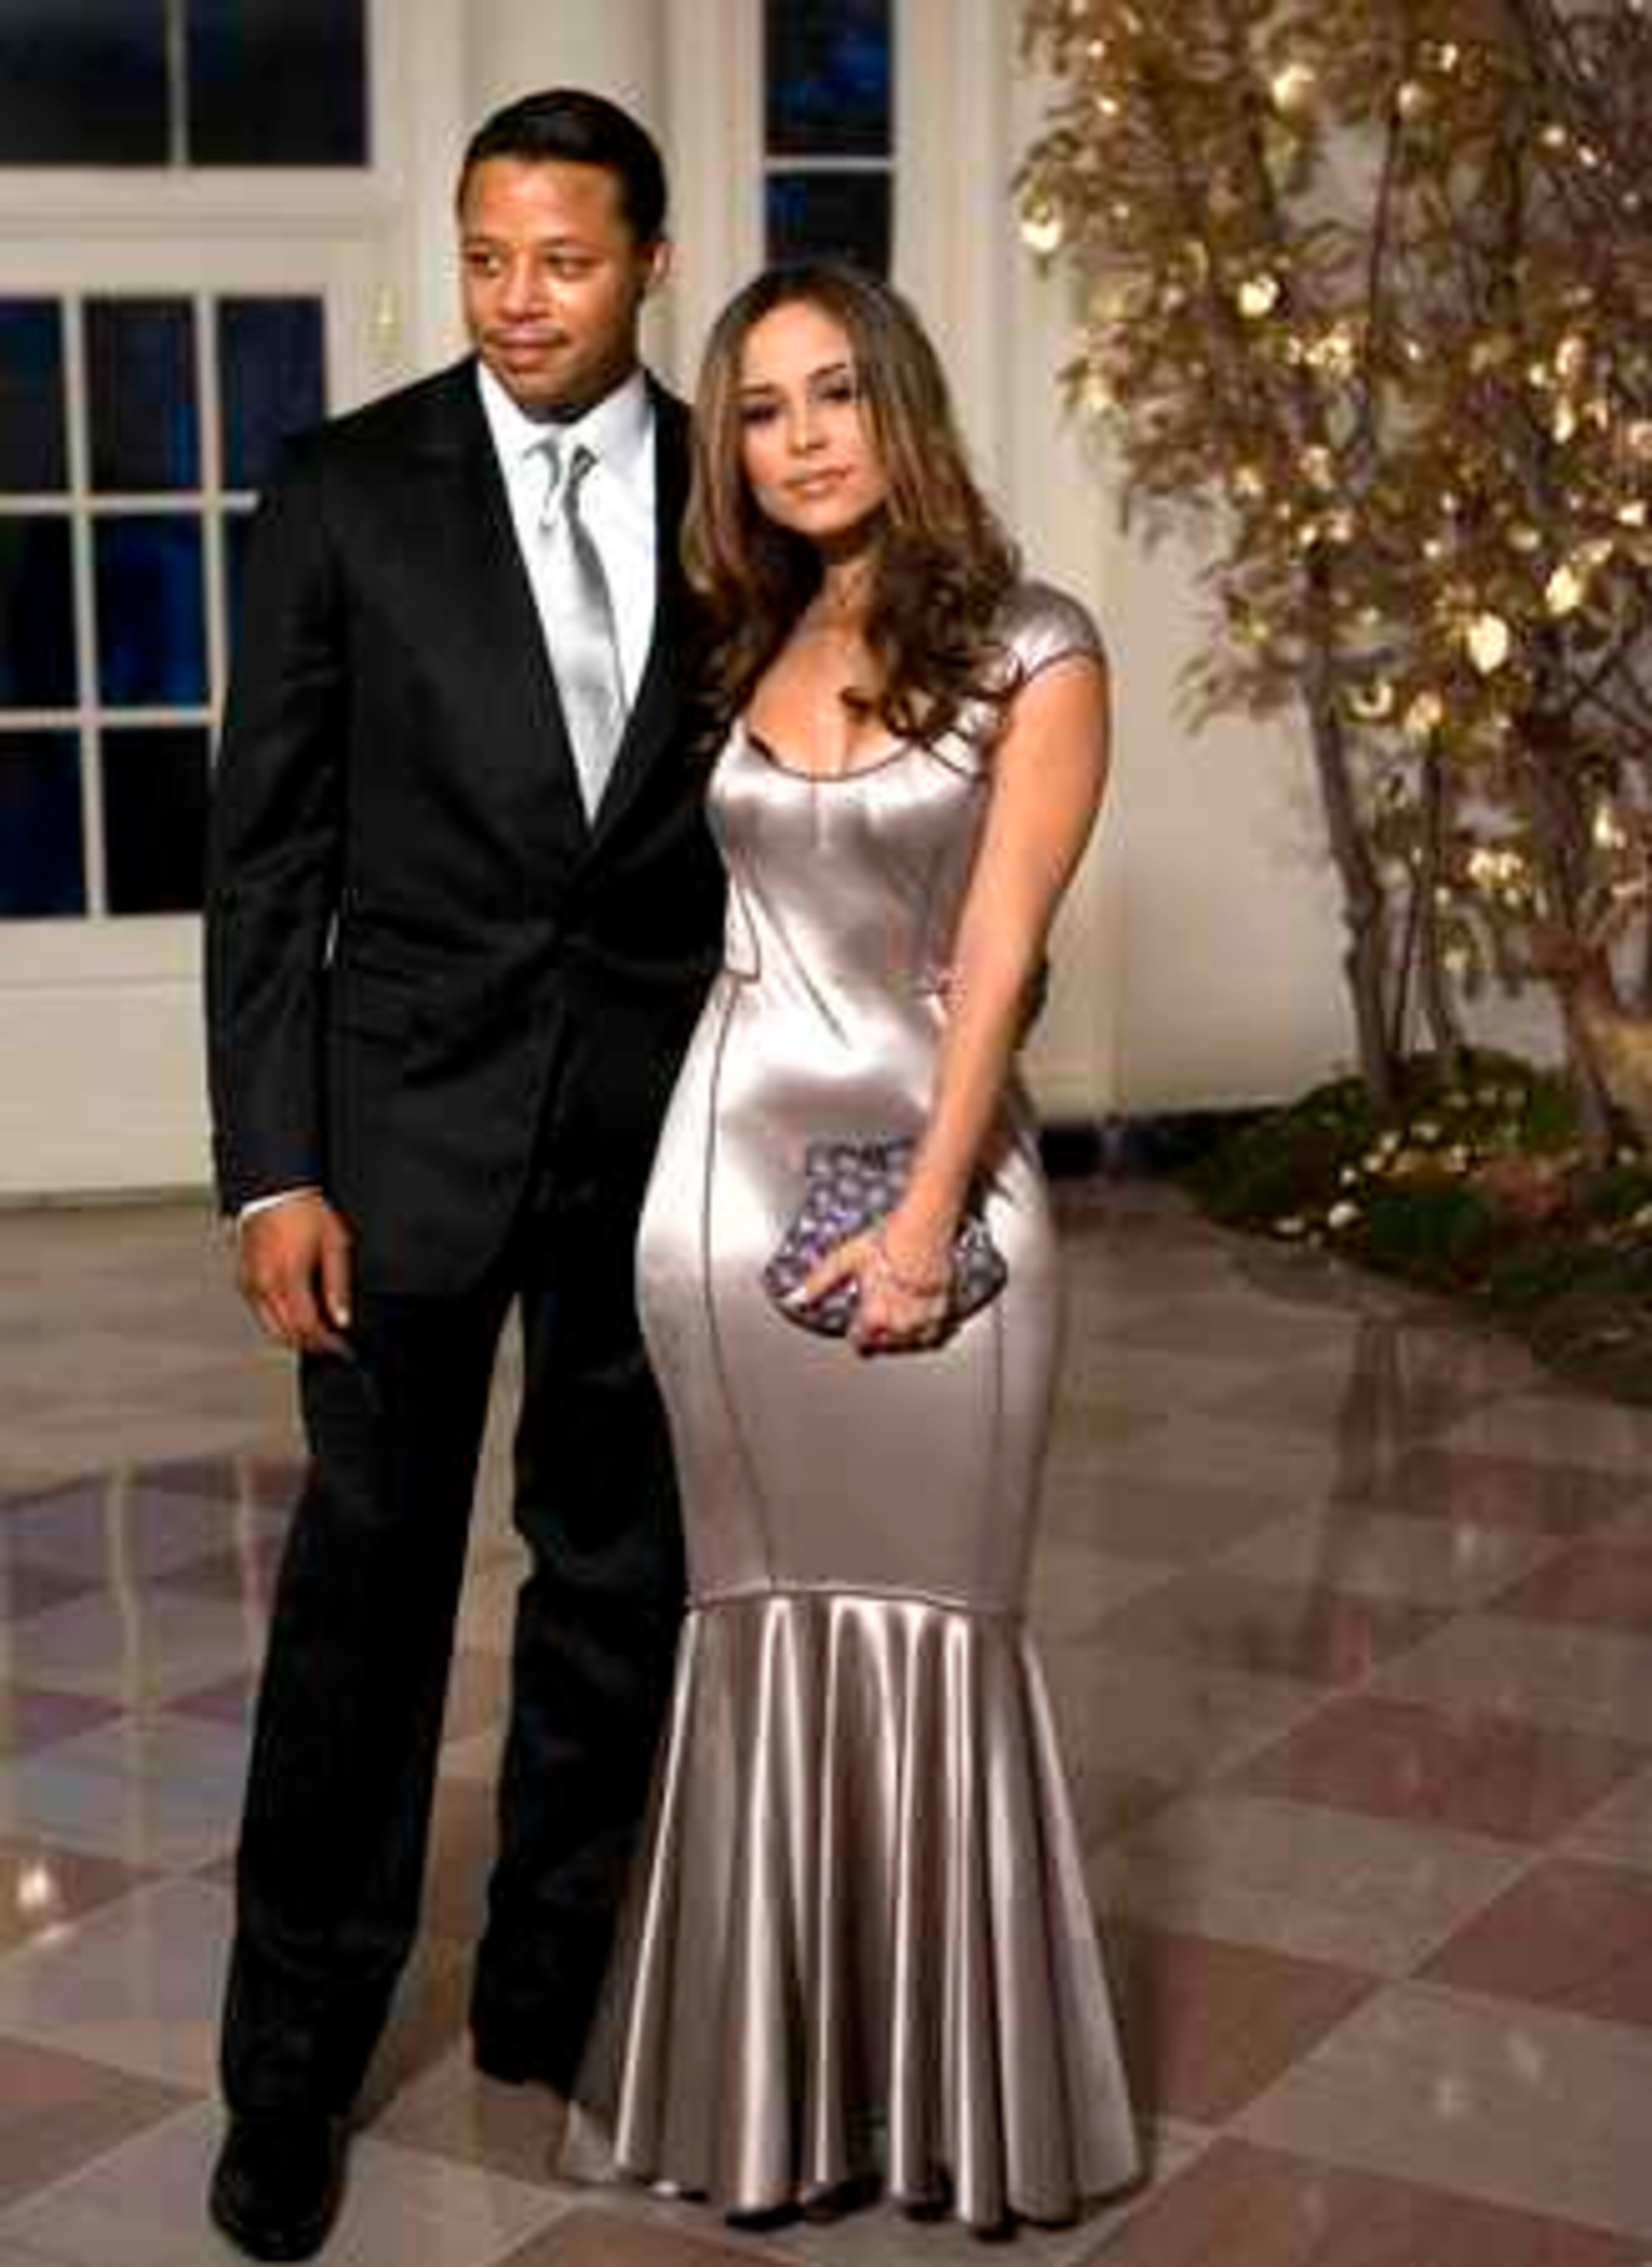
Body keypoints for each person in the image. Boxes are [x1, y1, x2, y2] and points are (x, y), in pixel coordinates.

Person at [564, 262, 1141, 2235]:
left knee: (941, 1626)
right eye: (757, 407)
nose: (799, 437)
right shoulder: (750, 635)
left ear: (901, 402)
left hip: (936, 1185)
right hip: (719, 1202)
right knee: (757, 1624)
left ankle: (959, 2117)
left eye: (832, 394)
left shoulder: (1036, 650)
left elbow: (994, 963)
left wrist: (922, 1216)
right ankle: (766, 2108)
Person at [201, 89, 723, 2261]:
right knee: (365, 1613)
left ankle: (547, 1992)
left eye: (566, 263)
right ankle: (291, 2076)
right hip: (394, 1147)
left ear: (648, 264)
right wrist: (274, 1171)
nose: (520, 301)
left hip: (653, 1137)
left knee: (615, 1590)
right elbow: (267, 860)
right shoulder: (344, 490)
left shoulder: (742, 489)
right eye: (489, 257)